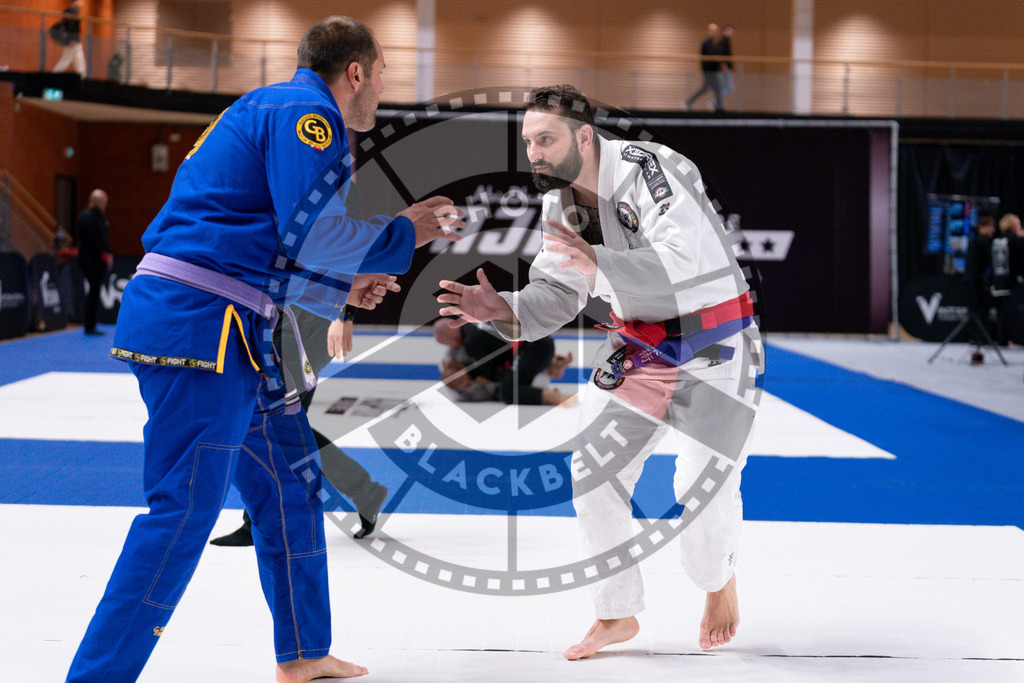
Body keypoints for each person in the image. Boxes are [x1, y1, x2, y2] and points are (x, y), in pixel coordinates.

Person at [67, 16, 463, 683]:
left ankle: (305, 649)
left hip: (232, 325)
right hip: (201, 325)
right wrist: (406, 229)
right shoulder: (309, 114)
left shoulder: (271, 108)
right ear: (357, 72)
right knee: (185, 509)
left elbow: (267, 239)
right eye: (384, 73)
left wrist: (345, 287)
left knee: (290, 486)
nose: (383, 89)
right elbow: (311, 235)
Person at [438, 85, 760, 659]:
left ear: (584, 137)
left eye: (546, 139)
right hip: (641, 347)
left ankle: (717, 579)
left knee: (700, 486)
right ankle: (616, 613)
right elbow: (559, 291)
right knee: (592, 468)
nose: (533, 153)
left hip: (717, 344)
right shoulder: (559, 202)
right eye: (528, 142)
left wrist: (599, 260)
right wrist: (503, 311)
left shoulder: (656, 170)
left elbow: (687, 265)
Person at [211, 305, 389, 547]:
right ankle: (363, 492)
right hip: (295, 319)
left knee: (271, 421)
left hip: (303, 322)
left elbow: (350, 268)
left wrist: (344, 316)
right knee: (284, 426)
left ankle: (257, 522)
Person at [432, 318, 574, 405]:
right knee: (512, 375)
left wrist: (476, 376)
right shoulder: (474, 321)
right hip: (536, 341)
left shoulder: (471, 343)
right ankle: (552, 366)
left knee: (508, 390)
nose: (450, 346)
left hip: (533, 347)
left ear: (450, 338)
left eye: (446, 343)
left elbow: (492, 373)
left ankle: (553, 396)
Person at [75, 188, 111, 335]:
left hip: (99, 259)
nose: (104, 205)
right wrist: (104, 255)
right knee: (93, 291)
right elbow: (93, 241)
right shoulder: (86, 217)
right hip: (90, 259)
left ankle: (92, 323)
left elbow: (104, 238)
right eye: (102, 202)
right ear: (95, 201)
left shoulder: (100, 216)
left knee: (95, 292)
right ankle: (89, 325)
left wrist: (108, 253)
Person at [684, 24, 726, 112]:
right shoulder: (706, 42)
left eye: (716, 31)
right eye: (713, 31)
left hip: (712, 70)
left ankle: (689, 102)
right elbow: (712, 56)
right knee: (716, 89)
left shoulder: (713, 42)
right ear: (709, 31)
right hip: (709, 70)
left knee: (713, 89)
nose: (715, 33)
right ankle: (719, 108)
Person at [51, 0, 86, 77]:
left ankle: (82, 82)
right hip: (72, 43)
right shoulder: (71, 12)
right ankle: (51, 78)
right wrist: (71, 39)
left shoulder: (72, 12)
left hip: (75, 43)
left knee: (80, 66)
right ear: (75, 2)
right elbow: (70, 27)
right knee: (64, 63)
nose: (82, 3)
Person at [719, 25, 735, 103]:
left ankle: (717, 102)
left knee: (726, 87)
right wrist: (723, 65)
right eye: (729, 30)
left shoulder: (727, 41)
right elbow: (721, 54)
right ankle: (716, 101)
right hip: (725, 68)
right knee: (729, 87)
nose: (731, 32)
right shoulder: (723, 41)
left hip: (727, 67)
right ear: (724, 31)